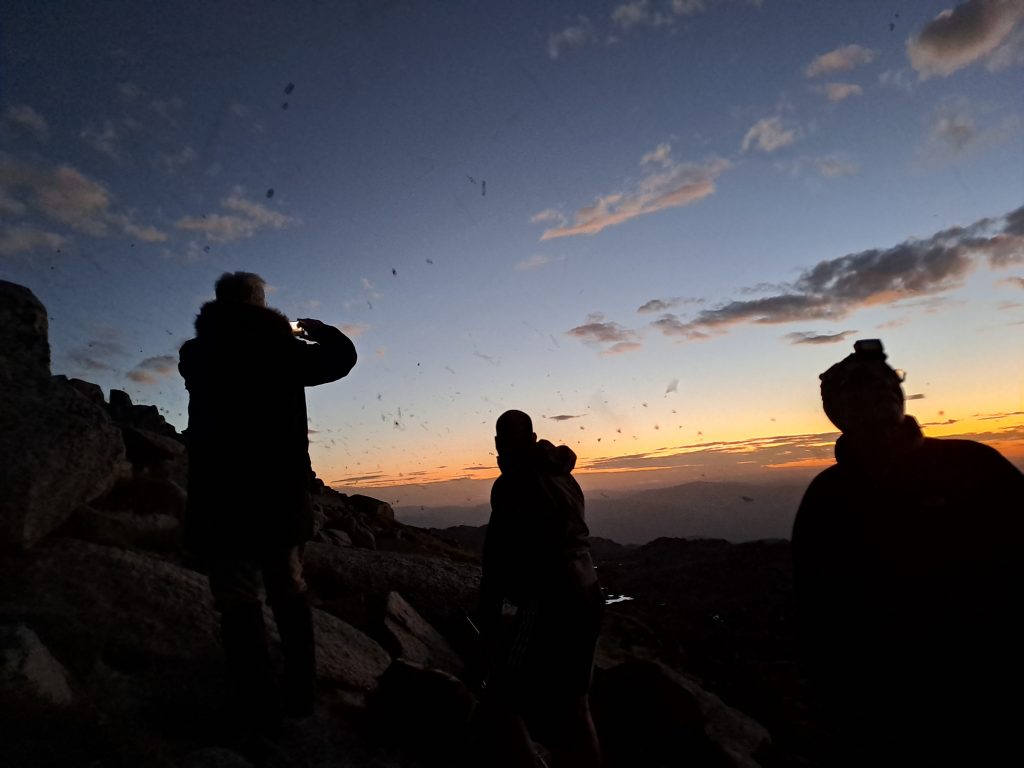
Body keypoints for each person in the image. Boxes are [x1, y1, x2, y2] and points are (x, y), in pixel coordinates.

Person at [791, 339, 1024, 767]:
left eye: (889, 380)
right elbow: (817, 613)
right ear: (838, 408)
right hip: (885, 710)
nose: (881, 389)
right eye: (862, 384)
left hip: (995, 690)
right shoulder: (828, 498)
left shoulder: (973, 465)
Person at [178, 271, 356, 730]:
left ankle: (255, 703)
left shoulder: (197, 353)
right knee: (288, 589)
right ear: (260, 304)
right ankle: (300, 695)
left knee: (237, 597)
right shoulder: (282, 350)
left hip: (220, 498)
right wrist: (318, 331)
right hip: (278, 495)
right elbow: (340, 360)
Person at [474, 410, 603, 768]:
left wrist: (489, 622)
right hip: (589, 592)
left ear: (500, 444)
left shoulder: (513, 481)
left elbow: (497, 560)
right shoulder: (561, 474)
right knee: (576, 704)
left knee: (500, 697)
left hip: (552, 600)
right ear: (533, 437)